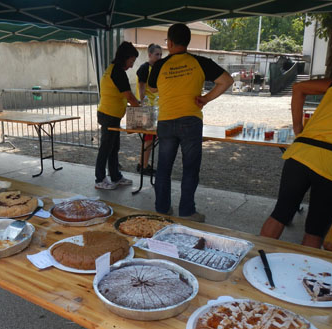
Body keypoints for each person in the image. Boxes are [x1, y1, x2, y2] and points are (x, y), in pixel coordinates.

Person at [148, 24, 233, 221]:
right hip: (191, 120)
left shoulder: (160, 65)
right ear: (188, 41)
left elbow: (152, 89)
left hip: (166, 121)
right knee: (190, 167)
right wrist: (205, 99)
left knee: (163, 167)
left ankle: (161, 209)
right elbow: (227, 81)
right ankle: (187, 211)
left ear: (169, 43)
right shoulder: (200, 62)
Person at [260, 71, 332, 248]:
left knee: (279, 215)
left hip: (301, 153)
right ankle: (303, 274)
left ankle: (255, 259)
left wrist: (298, 129)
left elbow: (299, 87)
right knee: (315, 231)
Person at [95, 41, 140, 190]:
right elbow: (129, 97)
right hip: (108, 115)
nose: (132, 65)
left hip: (111, 115)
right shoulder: (118, 72)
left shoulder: (113, 69)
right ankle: (100, 179)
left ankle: (115, 176)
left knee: (113, 148)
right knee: (106, 148)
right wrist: (141, 109)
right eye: (131, 61)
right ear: (124, 57)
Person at [135, 43, 162, 176]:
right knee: (148, 138)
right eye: (157, 54)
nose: (159, 57)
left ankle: (143, 163)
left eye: (161, 54)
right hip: (148, 108)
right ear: (150, 54)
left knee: (150, 138)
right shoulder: (145, 68)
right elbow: (141, 87)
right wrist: (143, 106)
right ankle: (144, 165)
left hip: (156, 107)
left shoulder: (157, 68)